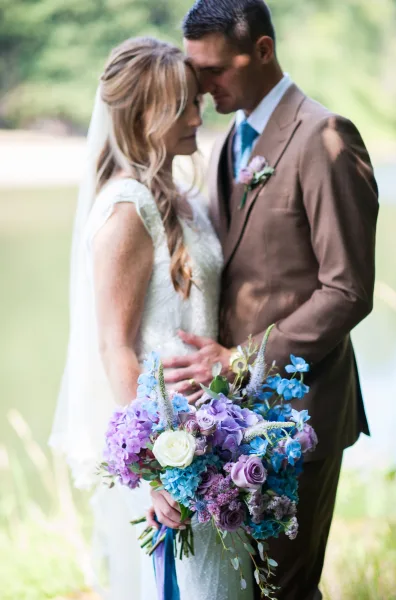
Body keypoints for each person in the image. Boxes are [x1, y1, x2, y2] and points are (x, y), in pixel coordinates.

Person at [162, 1, 379, 598]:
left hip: (297, 415)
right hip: (229, 423)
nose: (201, 88)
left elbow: (348, 290)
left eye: (214, 71)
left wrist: (239, 359)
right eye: (194, 70)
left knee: (286, 589)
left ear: (262, 51)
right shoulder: (229, 141)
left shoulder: (325, 137)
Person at [50, 36, 252, 600]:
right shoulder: (126, 206)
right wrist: (157, 468)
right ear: (146, 115)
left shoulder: (178, 194)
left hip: (214, 435)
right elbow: (114, 347)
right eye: (184, 103)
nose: (198, 112)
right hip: (173, 448)